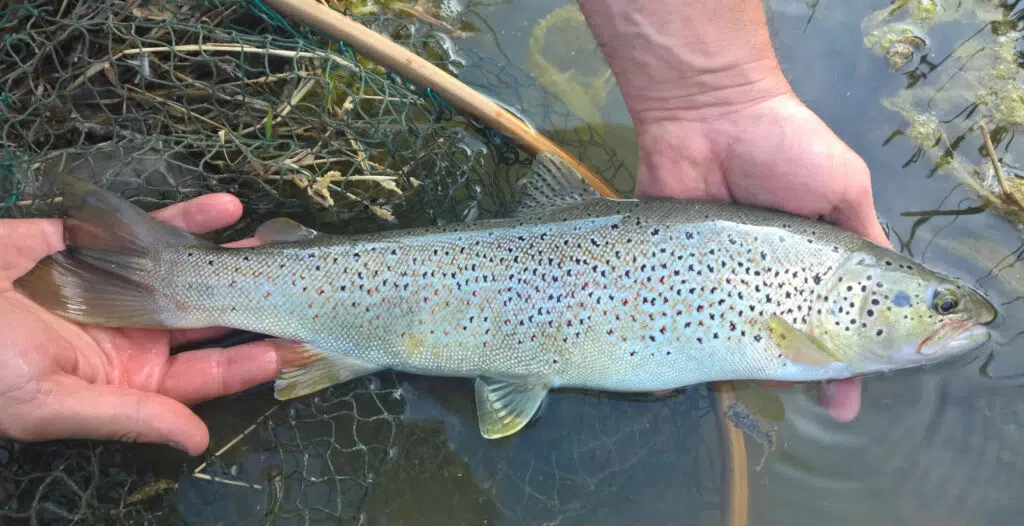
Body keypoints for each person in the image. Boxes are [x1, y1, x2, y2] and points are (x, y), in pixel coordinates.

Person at [0, 0, 888, 455]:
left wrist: (720, 98)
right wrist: (719, 94)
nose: (948, 324)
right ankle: (158, 280)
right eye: (922, 304)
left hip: (450, 298)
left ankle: (153, 280)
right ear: (849, 298)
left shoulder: (800, 307)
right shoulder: (805, 327)